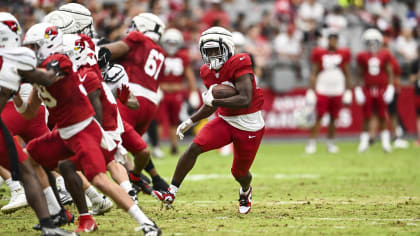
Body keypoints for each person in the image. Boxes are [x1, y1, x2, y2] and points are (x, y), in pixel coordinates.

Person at [21, 22, 161, 235]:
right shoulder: (38, 71)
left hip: (84, 130)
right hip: (64, 133)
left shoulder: (61, 61)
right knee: (28, 159)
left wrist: (20, 72)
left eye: (34, 47)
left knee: (99, 179)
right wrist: (13, 93)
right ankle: (58, 212)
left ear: (47, 44)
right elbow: (28, 112)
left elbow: (48, 77)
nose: (30, 52)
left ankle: (146, 222)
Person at [151, 27, 265, 214]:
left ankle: (245, 191)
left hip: (249, 125)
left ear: (228, 48)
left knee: (240, 173)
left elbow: (245, 98)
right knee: (194, 148)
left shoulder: (240, 61)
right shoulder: (206, 71)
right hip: (226, 120)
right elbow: (211, 104)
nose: (212, 55)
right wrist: (190, 121)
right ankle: (170, 192)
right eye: (208, 51)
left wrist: (216, 100)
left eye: (216, 50)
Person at [0, 12, 76, 236]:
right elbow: (45, 78)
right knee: (26, 169)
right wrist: (62, 62)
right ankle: (49, 226)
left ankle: (49, 224)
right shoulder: (17, 56)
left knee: (28, 165)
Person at [102, 12, 169, 192]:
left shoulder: (137, 38)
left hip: (130, 97)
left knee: (113, 139)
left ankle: (132, 179)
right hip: (150, 104)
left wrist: (91, 47)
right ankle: (154, 178)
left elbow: (110, 51)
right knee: (132, 143)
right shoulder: (160, 51)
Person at [305, 31, 352, 154]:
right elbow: (314, 73)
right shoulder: (319, 53)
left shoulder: (343, 53)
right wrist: (311, 90)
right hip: (323, 89)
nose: (332, 41)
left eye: (334, 39)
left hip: (337, 89)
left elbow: (347, 74)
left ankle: (330, 143)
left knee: (333, 119)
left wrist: (348, 91)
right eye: (331, 39)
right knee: (319, 117)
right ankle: (311, 142)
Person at [158, 28, 199, 155]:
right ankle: (157, 146)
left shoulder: (182, 56)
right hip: (162, 92)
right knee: (160, 120)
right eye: (168, 43)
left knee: (174, 121)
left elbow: (189, 75)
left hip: (177, 93)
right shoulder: (160, 55)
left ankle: (174, 145)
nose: (171, 46)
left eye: (173, 43)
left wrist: (193, 91)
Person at [355, 28, 394, 153]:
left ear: (379, 42)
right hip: (368, 89)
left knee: (383, 116)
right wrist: (357, 89)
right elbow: (359, 73)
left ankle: (385, 142)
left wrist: (391, 87)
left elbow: (389, 71)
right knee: (367, 116)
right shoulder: (362, 56)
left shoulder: (385, 54)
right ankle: (364, 142)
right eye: (369, 42)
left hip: (381, 88)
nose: (372, 44)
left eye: (374, 41)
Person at [410, 46, 420, 146]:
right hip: (418, 92)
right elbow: (411, 80)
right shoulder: (415, 63)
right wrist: (418, 75)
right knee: (419, 117)